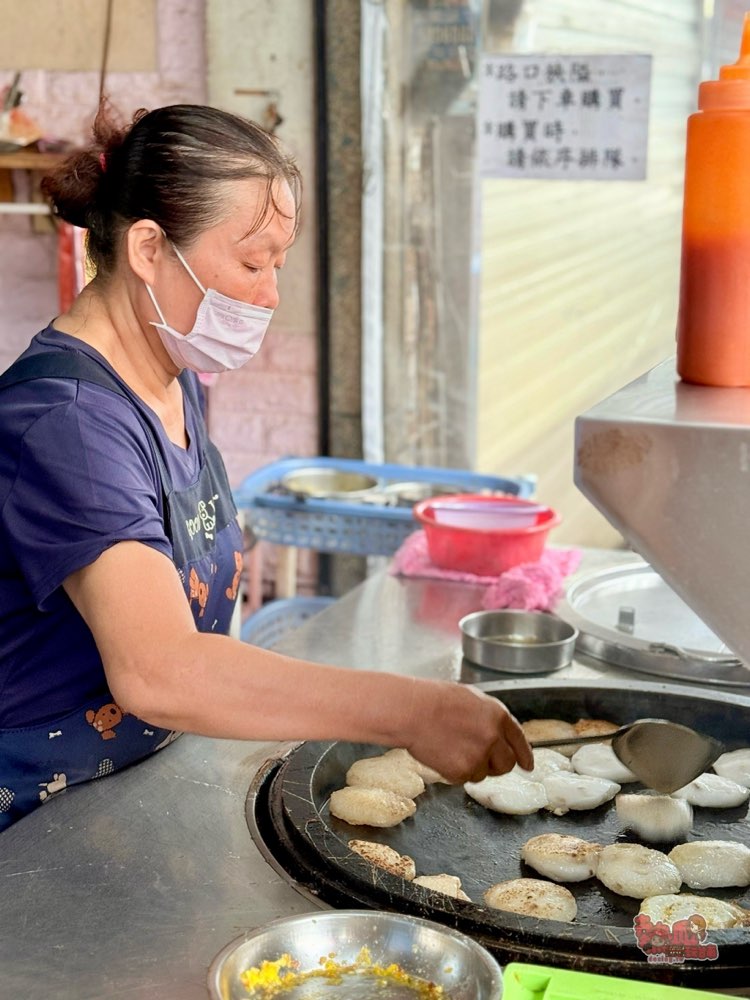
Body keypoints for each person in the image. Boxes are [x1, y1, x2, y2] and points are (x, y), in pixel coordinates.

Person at [0, 103, 532, 832]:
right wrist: (411, 709)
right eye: (252, 263)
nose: (270, 294)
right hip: (38, 828)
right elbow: (159, 670)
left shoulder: (168, 367)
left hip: (132, 795)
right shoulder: (67, 422)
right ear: (150, 249)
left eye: (277, 264)